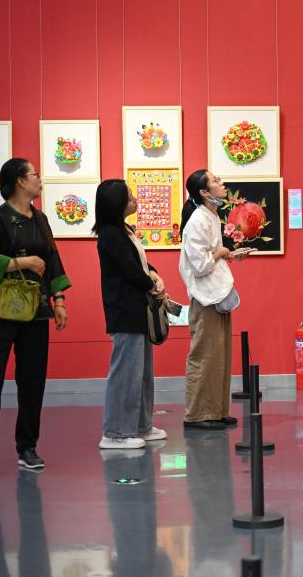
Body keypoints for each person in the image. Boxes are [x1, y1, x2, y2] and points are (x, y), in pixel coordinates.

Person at [0, 158, 70, 477]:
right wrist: (23, 263)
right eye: (35, 174)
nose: (40, 179)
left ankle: (27, 447)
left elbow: (52, 260)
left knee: (32, 380)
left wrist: (59, 300)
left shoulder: (41, 219)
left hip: (36, 310)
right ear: (20, 181)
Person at [93, 179, 172, 449]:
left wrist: (154, 274)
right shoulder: (109, 234)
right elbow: (128, 269)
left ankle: (140, 426)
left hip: (138, 310)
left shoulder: (124, 230)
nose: (134, 199)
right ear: (116, 204)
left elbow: (139, 262)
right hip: (124, 311)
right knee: (126, 373)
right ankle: (115, 432)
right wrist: (152, 285)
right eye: (129, 197)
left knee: (142, 374)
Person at [178, 170, 250, 430]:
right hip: (205, 298)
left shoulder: (211, 216)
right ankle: (198, 414)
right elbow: (199, 264)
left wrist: (228, 254)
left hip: (216, 294)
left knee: (219, 355)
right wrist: (221, 252)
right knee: (204, 355)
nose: (223, 184)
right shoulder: (198, 219)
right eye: (216, 181)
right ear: (204, 193)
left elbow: (210, 256)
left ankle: (216, 410)